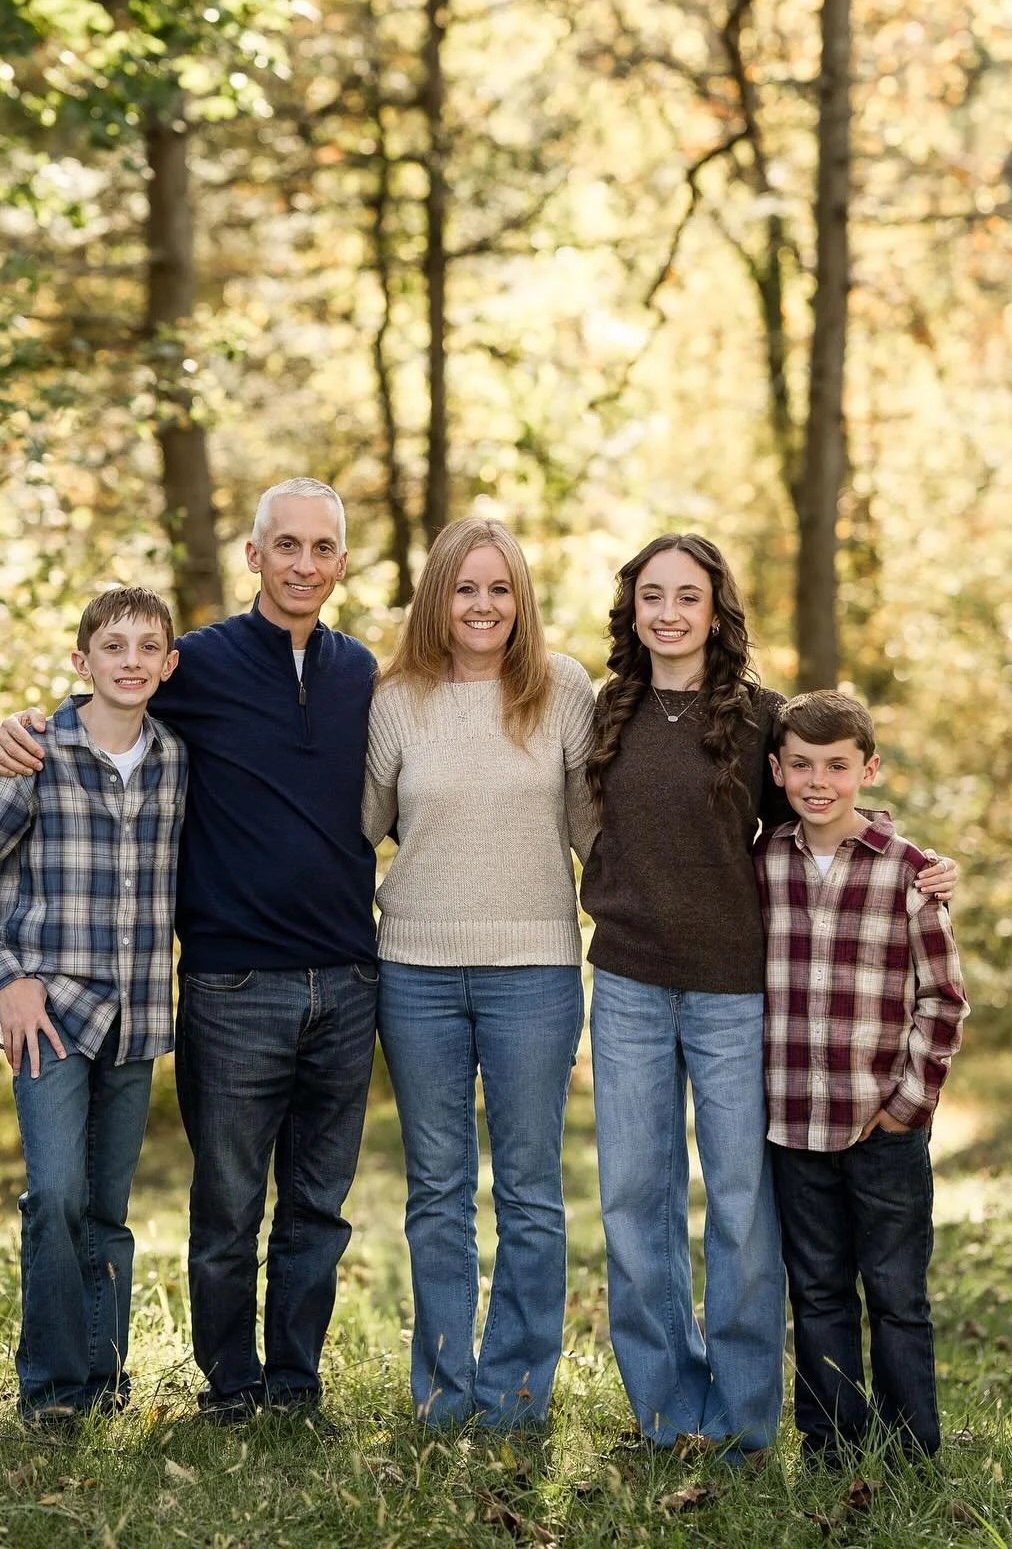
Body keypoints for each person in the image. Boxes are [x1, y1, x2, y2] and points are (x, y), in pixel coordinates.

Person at [0, 480, 379, 1423]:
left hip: (349, 975)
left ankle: (295, 1383)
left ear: (340, 561)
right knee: (228, 1208)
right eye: (285, 545)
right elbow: (106, 697)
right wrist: (22, 724)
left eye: (321, 548)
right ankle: (230, 1385)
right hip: (232, 980)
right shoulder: (195, 663)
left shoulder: (363, 672)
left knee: (319, 1209)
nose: (303, 564)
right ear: (254, 555)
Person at [579, 533, 958, 1459]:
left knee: (743, 1207)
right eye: (652, 596)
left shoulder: (758, 715)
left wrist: (915, 858)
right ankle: (669, 1413)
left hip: (734, 992)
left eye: (689, 597)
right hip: (626, 980)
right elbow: (584, 822)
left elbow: (824, 811)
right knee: (636, 1200)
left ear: (717, 609)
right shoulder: (606, 710)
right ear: (632, 607)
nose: (669, 613)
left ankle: (746, 1419)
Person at [0, 587, 187, 1424]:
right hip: (48, 1016)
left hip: (138, 1015)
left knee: (109, 1208)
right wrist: (6, 979)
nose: (132, 661)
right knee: (57, 1195)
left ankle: (105, 1383)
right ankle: (50, 1388)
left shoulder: (176, 760)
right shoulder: (36, 752)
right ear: (82, 661)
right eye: (114, 646)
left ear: (169, 666)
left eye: (150, 648)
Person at [361, 518, 597, 1431]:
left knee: (532, 1190)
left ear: (521, 600)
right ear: (438, 598)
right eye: (466, 588)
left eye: (500, 589)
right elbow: (362, 824)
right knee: (438, 1188)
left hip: (534, 970)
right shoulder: (396, 699)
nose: (483, 606)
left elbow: (596, 828)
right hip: (414, 969)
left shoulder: (561, 689)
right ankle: (445, 1390)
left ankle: (515, 1394)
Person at [758, 690, 968, 1466]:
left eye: (838, 766)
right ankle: (831, 1446)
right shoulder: (762, 863)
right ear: (777, 770)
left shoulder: (911, 874)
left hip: (883, 1125)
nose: (820, 781)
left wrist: (908, 1106)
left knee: (896, 1294)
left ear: (868, 769)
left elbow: (943, 998)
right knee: (815, 1290)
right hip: (791, 1123)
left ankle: (913, 1449)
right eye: (803, 765)